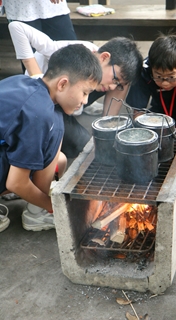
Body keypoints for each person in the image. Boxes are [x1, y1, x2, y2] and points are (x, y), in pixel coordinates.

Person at [0, 44, 102, 233]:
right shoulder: (41, 113)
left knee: (60, 158)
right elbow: (16, 182)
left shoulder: (25, 82)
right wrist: (55, 207)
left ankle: (34, 207)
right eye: (85, 92)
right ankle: (36, 214)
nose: (85, 101)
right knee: (51, 141)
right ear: (62, 84)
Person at [8, 21, 143, 158]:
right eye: (115, 79)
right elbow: (17, 27)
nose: (113, 86)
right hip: (42, 103)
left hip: (67, 103)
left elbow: (118, 82)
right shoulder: (74, 53)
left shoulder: (107, 76)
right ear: (103, 57)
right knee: (82, 146)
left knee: (123, 81)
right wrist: (37, 77)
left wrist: (107, 133)